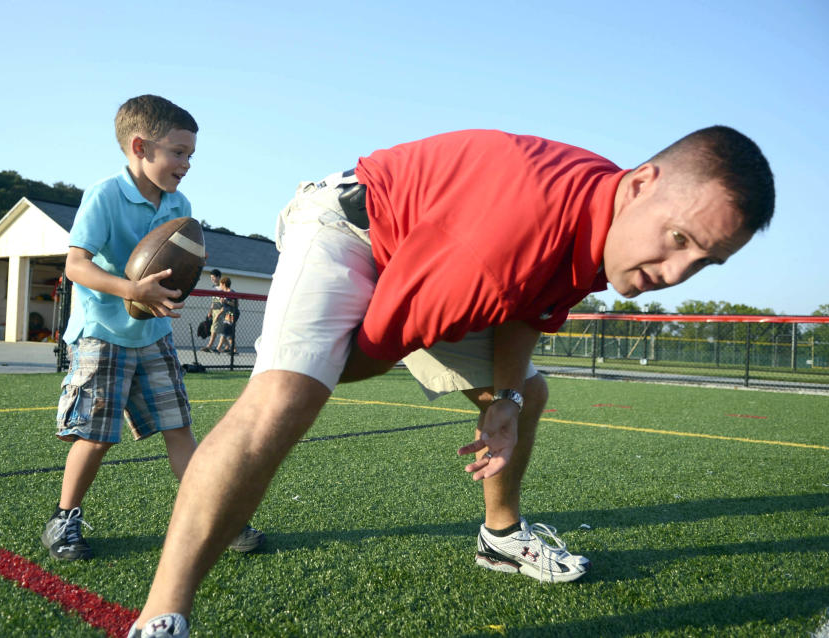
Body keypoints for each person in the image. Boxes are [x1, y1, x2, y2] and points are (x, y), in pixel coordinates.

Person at [127, 126, 774, 636]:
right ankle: (162, 617)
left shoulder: (604, 215)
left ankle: (499, 536)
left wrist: (507, 400)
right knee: (282, 399)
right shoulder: (512, 233)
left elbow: (531, 307)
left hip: (436, 251)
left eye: (704, 260)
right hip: (349, 226)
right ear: (642, 184)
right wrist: (316, 362)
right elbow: (370, 353)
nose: (677, 271)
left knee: (530, 392)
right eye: (679, 237)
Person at [41, 94, 264, 564]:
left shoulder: (179, 203)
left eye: (191, 155)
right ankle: (65, 517)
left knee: (179, 427)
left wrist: (172, 289)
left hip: (153, 334)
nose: (187, 164)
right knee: (96, 436)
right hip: (103, 331)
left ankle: (215, 517)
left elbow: (170, 268)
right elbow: (76, 266)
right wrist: (131, 289)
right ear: (141, 147)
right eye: (178, 153)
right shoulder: (105, 195)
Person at [200, 269, 224, 352]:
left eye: (213, 277)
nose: (212, 279)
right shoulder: (213, 287)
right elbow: (214, 301)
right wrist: (210, 311)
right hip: (214, 310)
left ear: (218, 277)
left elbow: (225, 302)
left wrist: (220, 311)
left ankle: (209, 346)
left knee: (214, 328)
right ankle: (230, 347)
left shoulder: (223, 287)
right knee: (222, 330)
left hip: (222, 310)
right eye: (211, 277)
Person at [215, 276, 239, 354]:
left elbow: (236, 304)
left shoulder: (231, 292)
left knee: (224, 331)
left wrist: (226, 301)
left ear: (224, 284)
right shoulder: (224, 293)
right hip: (227, 313)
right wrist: (218, 315)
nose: (220, 286)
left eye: (221, 284)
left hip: (231, 314)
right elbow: (224, 307)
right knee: (229, 333)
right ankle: (234, 349)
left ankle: (218, 348)